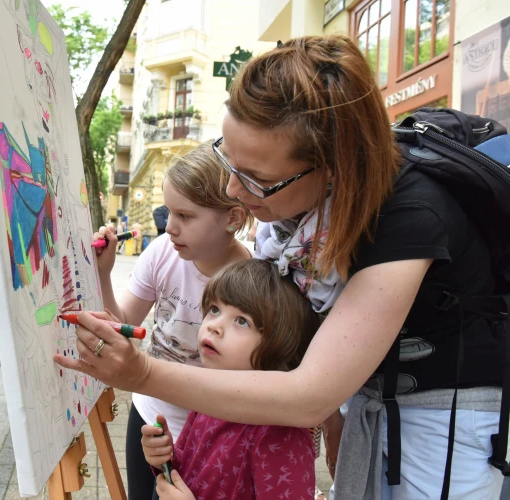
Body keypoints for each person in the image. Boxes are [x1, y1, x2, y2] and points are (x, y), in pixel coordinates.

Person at [55, 35, 509, 499]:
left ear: (332, 167)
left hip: (443, 422)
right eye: (228, 161)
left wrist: (143, 375)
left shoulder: (411, 214)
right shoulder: (299, 223)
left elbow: (310, 394)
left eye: (258, 179)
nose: (232, 189)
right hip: (377, 401)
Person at [91, 143, 252, 500]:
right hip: (149, 413)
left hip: (210, 430)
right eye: (168, 212)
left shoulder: (253, 281)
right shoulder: (163, 251)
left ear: (233, 218)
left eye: (186, 216)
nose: (170, 227)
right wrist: (104, 274)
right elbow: (124, 324)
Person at [142, 259, 319, 500]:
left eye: (242, 321)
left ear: (280, 345)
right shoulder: (208, 396)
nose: (214, 326)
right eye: (214, 309)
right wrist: (167, 457)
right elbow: (194, 471)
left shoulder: (280, 435)